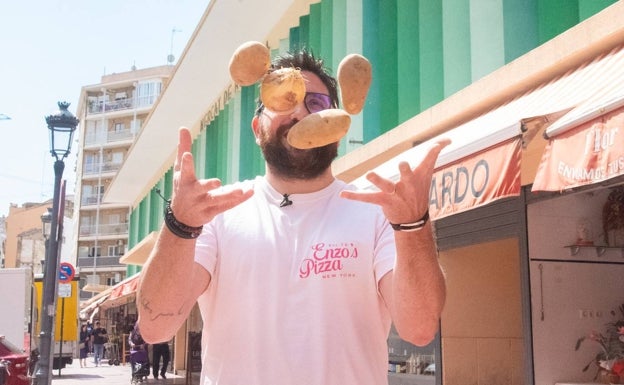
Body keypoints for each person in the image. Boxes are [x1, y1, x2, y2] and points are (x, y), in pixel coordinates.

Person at [137, 50, 449, 385]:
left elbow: (419, 328)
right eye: (284, 101)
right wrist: (179, 225)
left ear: (338, 125)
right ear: (257, 129)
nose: (299, 112)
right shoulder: (218, 214)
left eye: (315, 103)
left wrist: (413, 223)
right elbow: (156, 327)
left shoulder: (376, 213)